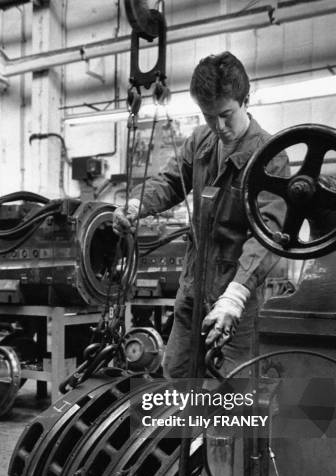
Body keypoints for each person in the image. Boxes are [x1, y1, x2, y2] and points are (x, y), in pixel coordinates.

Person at [114, 51, 289, 378]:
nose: (219, 127)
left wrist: (235, 295)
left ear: (245, 100)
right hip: (192, 291)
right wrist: (136, 206)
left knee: (231, 395)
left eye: (226, 115)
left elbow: (268, 232)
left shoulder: (270, 157)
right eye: (209, 116)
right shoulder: (200, 141)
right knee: (176, 383)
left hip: (235, 298)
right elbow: (169, 182)